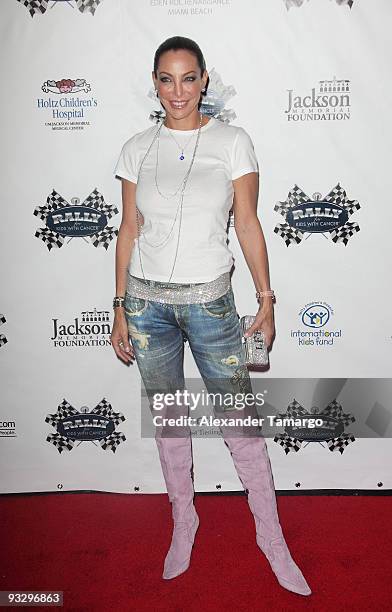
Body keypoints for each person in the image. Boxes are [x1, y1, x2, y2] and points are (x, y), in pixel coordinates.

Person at [111, 36, 311, 597]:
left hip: (211, 304)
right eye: (167, 79)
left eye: (189, 78)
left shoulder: (233, 142)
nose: (178, 91)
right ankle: (184, 522)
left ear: (205, 80)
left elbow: (247, 224)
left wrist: (266, 299)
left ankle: (271, 537)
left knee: (240, 426)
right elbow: (129, 230)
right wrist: (120, 306)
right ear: (155, 81)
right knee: (171, 422)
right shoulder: (135, 148)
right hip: (148, 307)